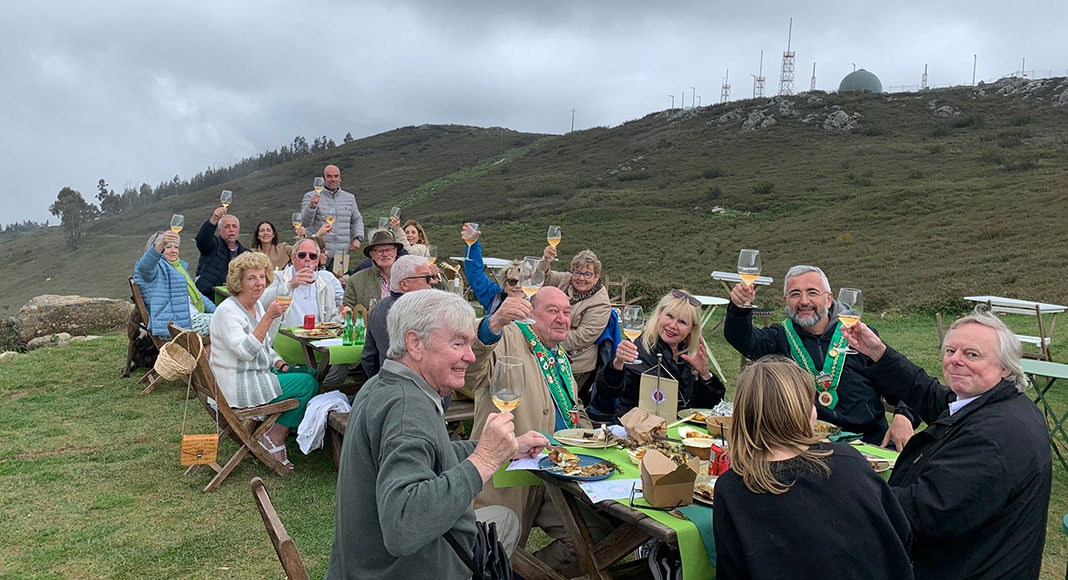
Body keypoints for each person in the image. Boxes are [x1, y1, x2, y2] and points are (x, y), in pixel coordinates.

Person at [326, 289, 548, 579]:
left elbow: (431, 451)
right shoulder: (407, 408)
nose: (470, 356)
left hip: (363, 561)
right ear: (415, 343)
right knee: (505, 521)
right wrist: (483, 461)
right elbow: (403, 527)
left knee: (504, 518)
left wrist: (507, 448)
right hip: (396, 571)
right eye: (458, 343)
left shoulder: (383, 384)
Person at [843, 309, 1051, 579]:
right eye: (951, 351)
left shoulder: (991, 437)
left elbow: (923, 512)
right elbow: (930, 395)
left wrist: (846, 482)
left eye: (972, 354)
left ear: (1005, 367)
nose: (955, 360)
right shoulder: (994, 402)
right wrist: (879, 353)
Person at [713, 356, 914, 579]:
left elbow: (730, 570)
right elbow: (899, 533)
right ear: (804, 412)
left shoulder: (733, 487)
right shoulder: (849, 461)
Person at [466, 286, 610, 570]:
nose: (562, 318)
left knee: (597, 535)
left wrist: (593, 438)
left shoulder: (558, 355)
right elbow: (472, 369)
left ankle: (526, 574)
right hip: (508, 476)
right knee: (489, 552)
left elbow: (573, 408)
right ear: (530, 313)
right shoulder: (509, 337)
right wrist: (493, 324)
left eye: (567, 312)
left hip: (553, 475)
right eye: (552, 311)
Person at [723, 265, 916, 448]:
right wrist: (739, 308)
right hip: (806, 444)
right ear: (786, 301)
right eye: (795, 294)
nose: (804, 301)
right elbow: (741, 338)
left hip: (869, 443)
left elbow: (902, 381)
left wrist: (904, 414)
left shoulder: (859, 336)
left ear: (829, 299)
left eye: (812, 292)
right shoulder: (778, 337)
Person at [209, 252, 318, 469]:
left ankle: (281, 430)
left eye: (261, 276)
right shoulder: (228, 312)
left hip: (253, 374)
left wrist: (279, 363)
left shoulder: (255, 305)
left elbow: (265, 347)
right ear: (239, 282)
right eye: (251, 278)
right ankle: (274, 437)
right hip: (237, 386)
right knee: (308, 384)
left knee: (309, 372)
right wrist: (269, 317)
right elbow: (245, 352)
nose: (259, 283)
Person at [596, 289, 725, 419]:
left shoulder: (688, 357)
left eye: (682, 322)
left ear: (692, 329)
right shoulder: (638, 349)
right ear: (659, 314)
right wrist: (617, 364)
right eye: (670, 316)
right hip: (636, 426)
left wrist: (705, 375)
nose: (673, 325)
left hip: (678, 428)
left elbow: (706, 408)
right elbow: (607, 393)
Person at [260, 238, 349, 387]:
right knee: (310, 378)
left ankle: (318, 390)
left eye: (312, 256)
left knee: (342, 364)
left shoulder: (325, 284)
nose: (307, 259)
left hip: (317, 345)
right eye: (302, 255)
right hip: (283, 344)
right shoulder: (277, 278)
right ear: (293, 258)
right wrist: (290, 285)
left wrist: (342, 317)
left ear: (318, 261)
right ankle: (313, 389)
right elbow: (261, 301)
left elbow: (331, 319)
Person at [541, 246, 611, 388]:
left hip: (575, 364)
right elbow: (545, 277)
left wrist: (545, 339)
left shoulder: (601, 302)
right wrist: (546, 261)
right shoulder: (566, 280)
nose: (581, 278)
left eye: (587, 274)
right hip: (549, 354)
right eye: (577, 272)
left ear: (597, 277)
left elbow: (583, 336)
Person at [361, 255, 439, 377]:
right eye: (426, 278)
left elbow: (368, 357)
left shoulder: (378, 309)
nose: (432, 282)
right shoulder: (425, 312)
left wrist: (380, 381)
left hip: (389, 381)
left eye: (432, 277)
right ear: (404, 284)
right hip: (424, 384)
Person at [134, 231, 216, 338]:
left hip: (192, 318)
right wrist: (161, 242)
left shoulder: (178, 268)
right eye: (168, 247)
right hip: (175, 326)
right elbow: (145, 267)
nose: (173, 251)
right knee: (227, 322)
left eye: (176, 247)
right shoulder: (153, 269)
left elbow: (198, 296)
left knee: (229, 319)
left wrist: (218, 311)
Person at [300, 164, 364, 268]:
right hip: (319, 253)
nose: (333, 179)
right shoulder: (310, 196)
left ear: (340, 178)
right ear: (323, 179)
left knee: (340, 278)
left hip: (341, 254)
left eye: (336, 176)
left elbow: (357, 219)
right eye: (329, 176)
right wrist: (311, 206)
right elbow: (304, 223)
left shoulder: (350, 198)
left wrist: (358, 238)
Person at [460, 223, 523, 315]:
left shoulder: (539, 302)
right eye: (512, 282)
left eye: (523, 281)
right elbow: (475, 276)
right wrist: (473, 245)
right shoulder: (495, 297)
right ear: (505, 286)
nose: (518, 286)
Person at [194, 205, 250, 302]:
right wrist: (214, 219)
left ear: (238, 230)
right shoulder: (213, 245)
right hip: (207, 298)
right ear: (220, 230)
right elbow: (202, 239)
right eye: (227, 227)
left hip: (235, 300)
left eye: (234, 226)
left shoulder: (246, 254)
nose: (231, 230)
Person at [342, 229, 403, 311]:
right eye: (380, 251)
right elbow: (348, 309)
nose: (385, 254)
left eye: (389, 250)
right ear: (372, 255)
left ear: (395, 252)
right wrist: (346, 312)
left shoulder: (410, 276)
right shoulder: (355, 281)